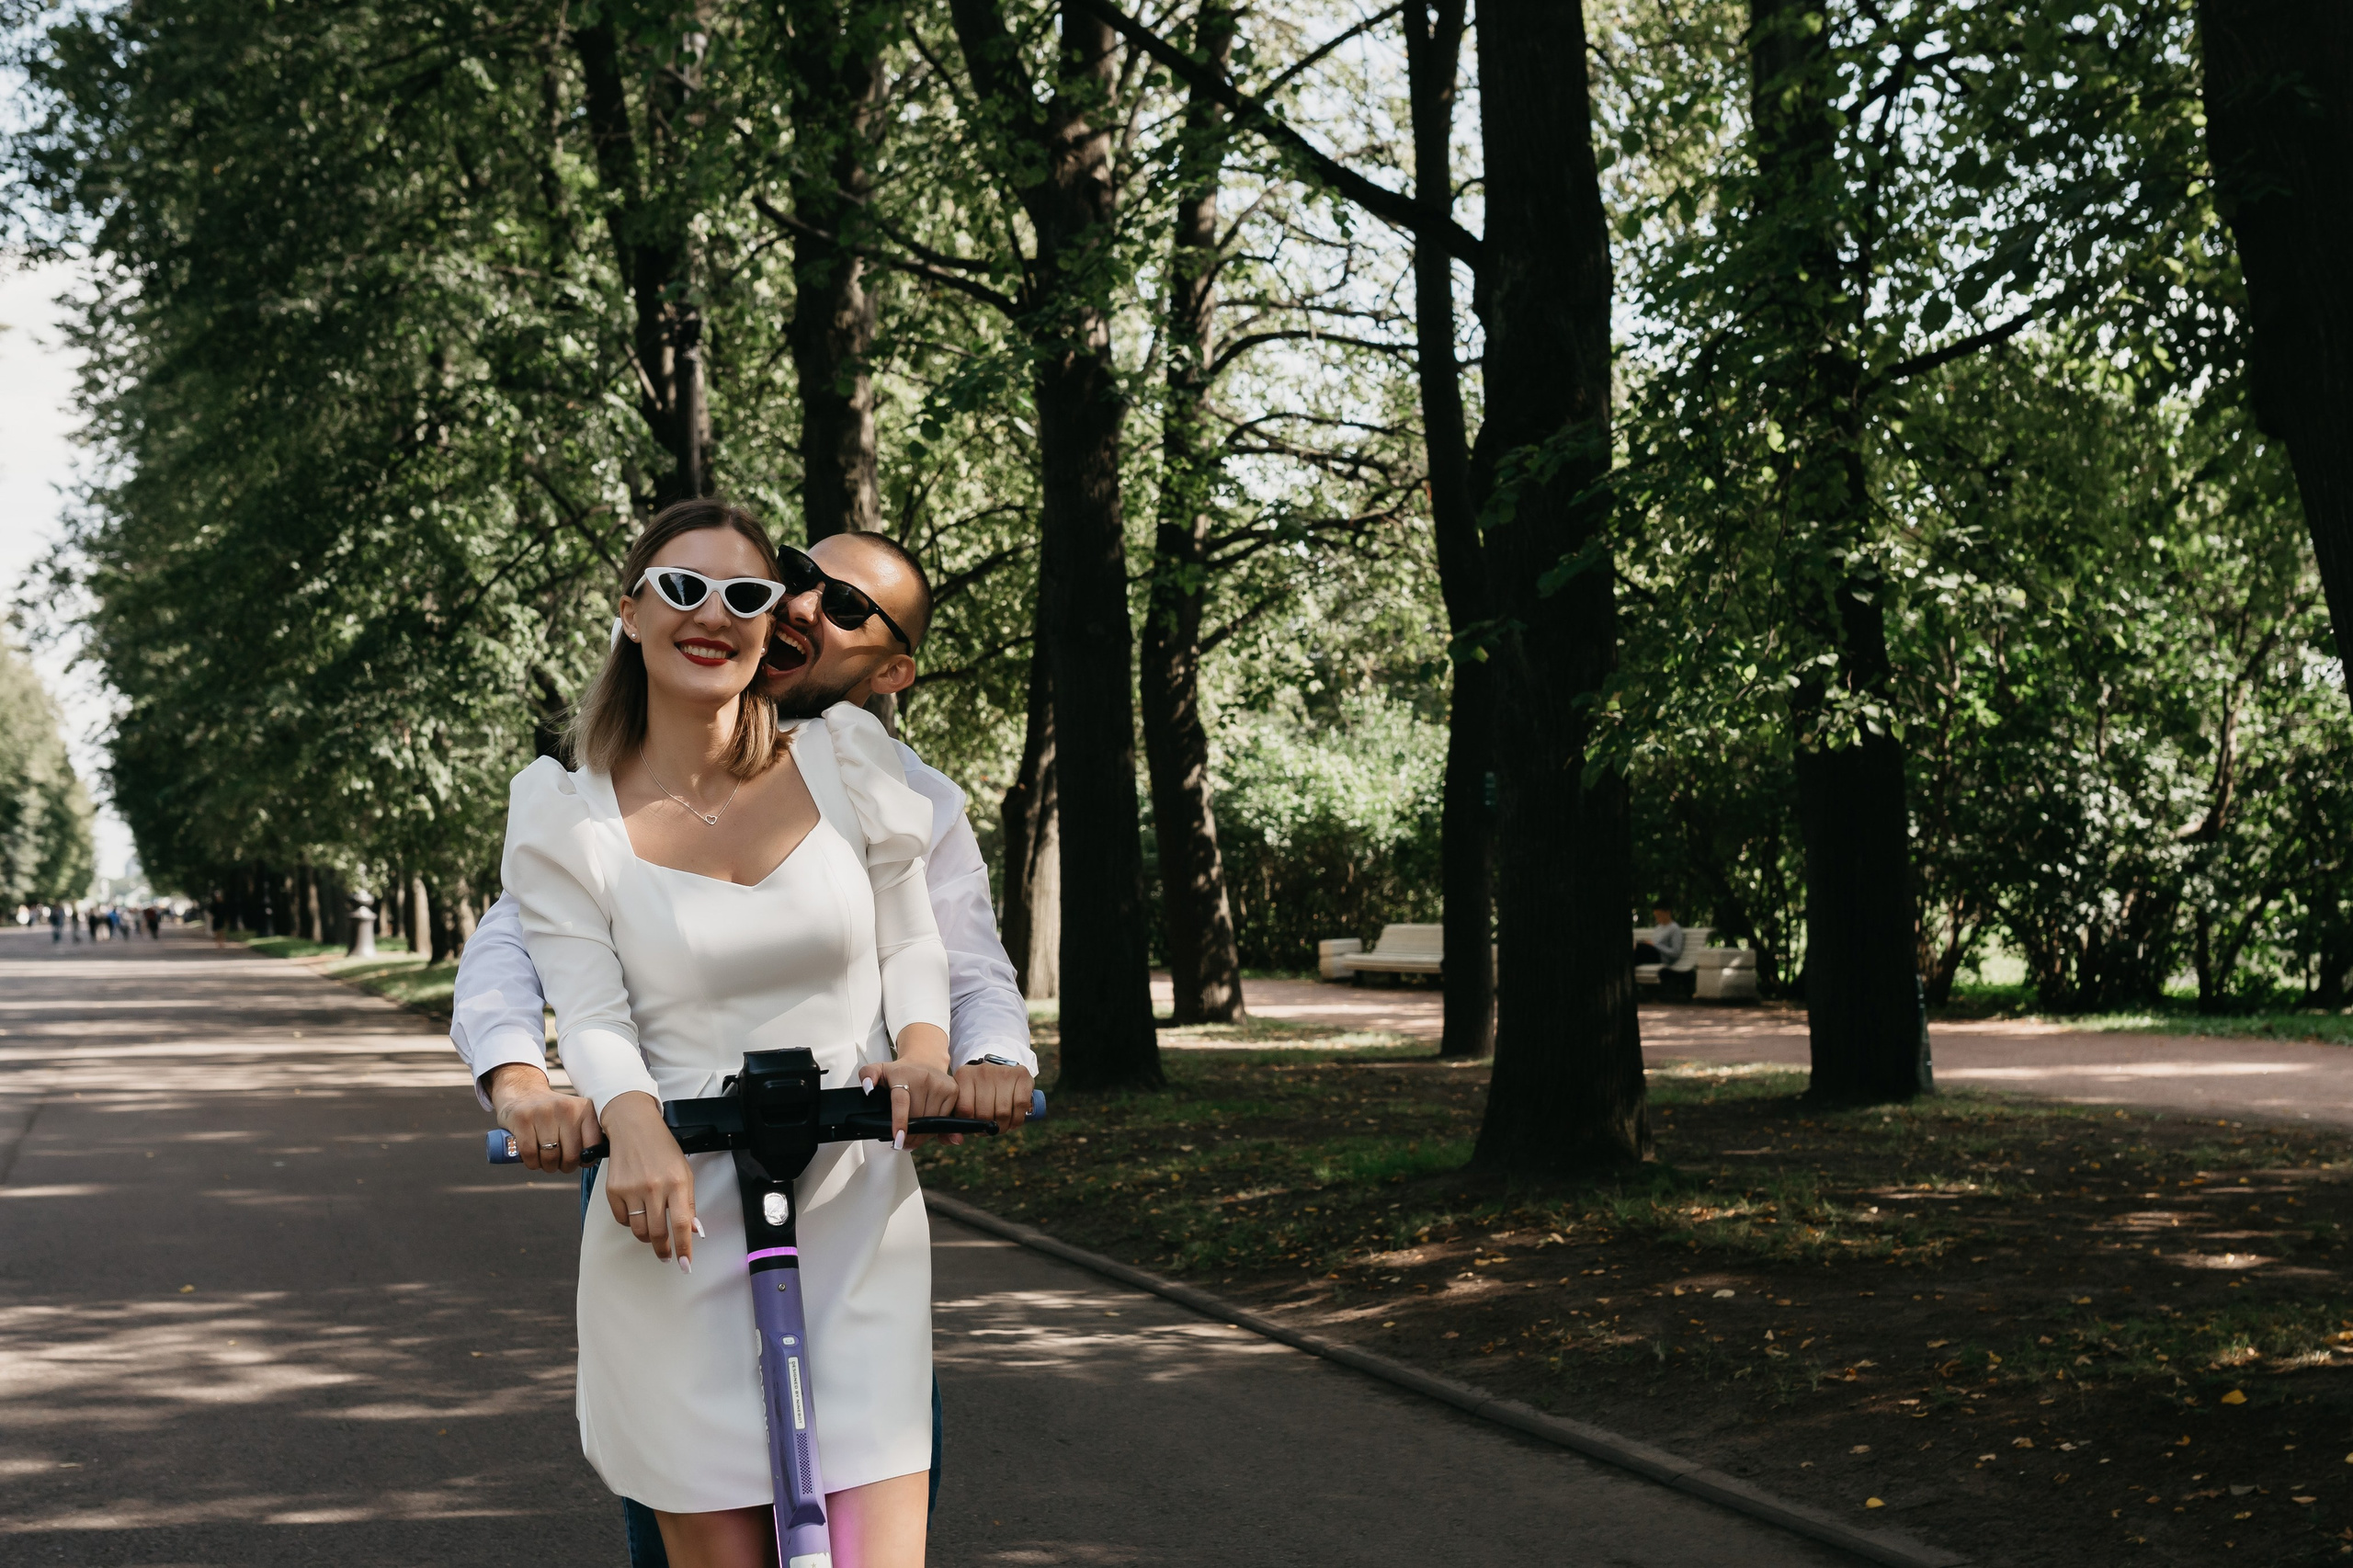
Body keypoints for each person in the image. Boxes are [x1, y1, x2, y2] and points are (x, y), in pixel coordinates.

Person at [452, 526, 1035, 1566]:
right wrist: (521, 1081)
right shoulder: (574, 804)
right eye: (803, 579)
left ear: (891, 669)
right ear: (631, 611)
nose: (809, 608)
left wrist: (973, 1063)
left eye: (844, 608)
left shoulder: (877, 771)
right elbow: (524, 955)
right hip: (673, 1160)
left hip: (846, 1181)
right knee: (688, 1511)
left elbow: (953, 949)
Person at [1632, 903, 1684, 969]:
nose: (1657, 918)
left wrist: (1655, 945)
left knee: (1639, 948)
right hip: (1652, 955)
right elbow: (1654, 944)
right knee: (1637, 946)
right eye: (1655, 916)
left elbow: (1676, 953)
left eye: (1659, 915)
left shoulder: (1674, 929)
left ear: (1668, 912)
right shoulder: (1659, 927)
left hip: (1662, 959)